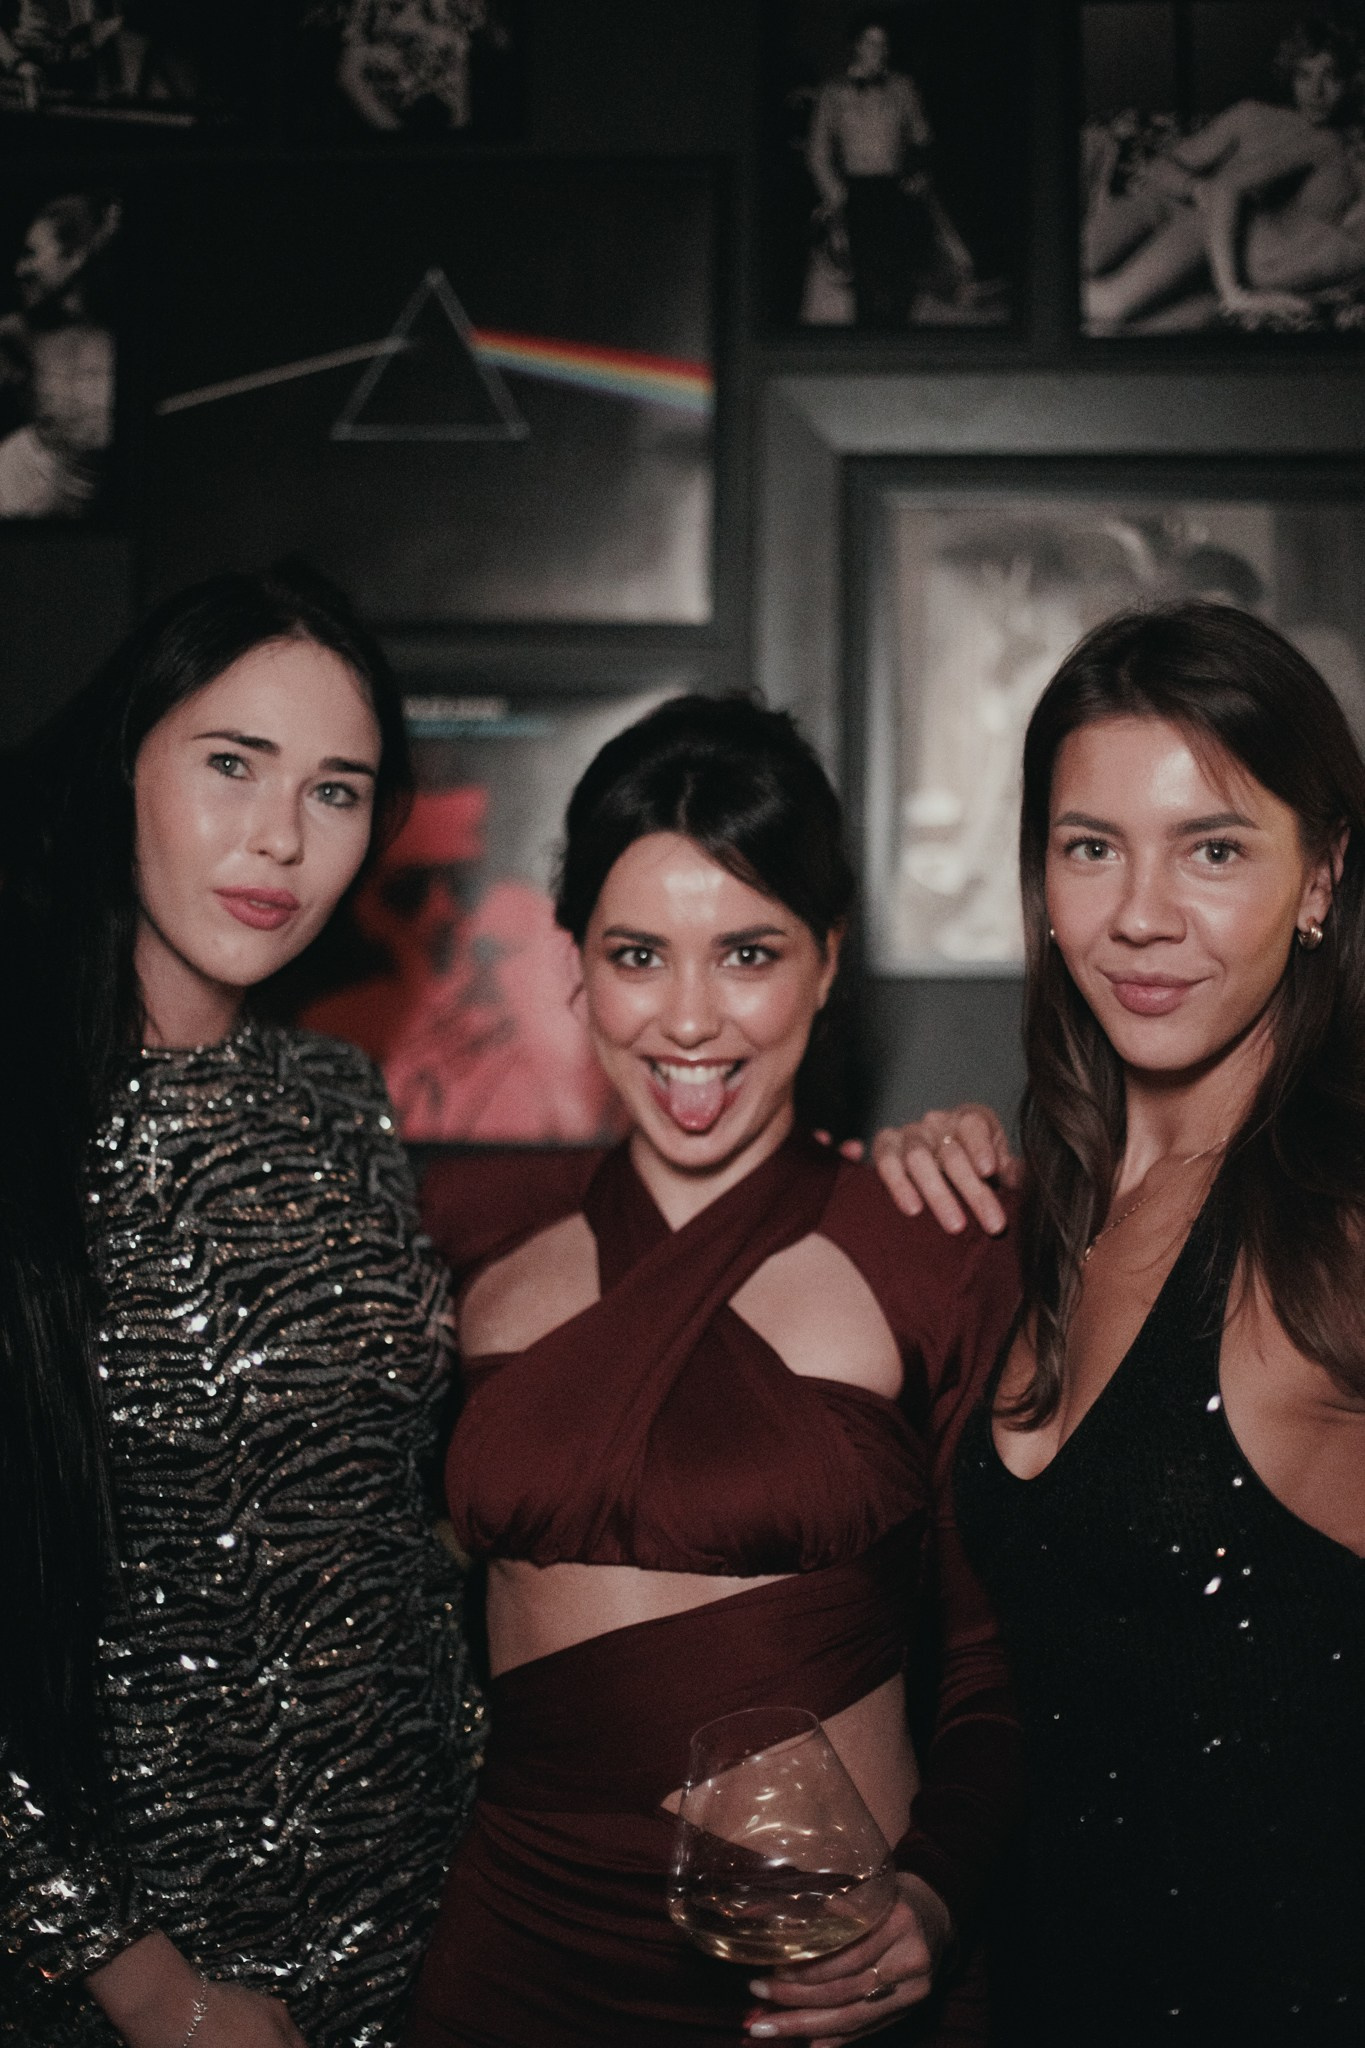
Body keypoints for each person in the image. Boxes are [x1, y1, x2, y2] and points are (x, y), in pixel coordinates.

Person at [404, 695, 1022, 2048]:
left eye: (748, 952)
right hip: (511, 1968)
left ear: (828, 961)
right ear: (575, 963)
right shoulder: (472, 1243)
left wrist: (935, 1895)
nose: (689, 1020)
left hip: (826, 1976)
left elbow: (1002, 1658)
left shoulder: (939, 1241)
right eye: (638, 954)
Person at [0, 567, 483, 2047]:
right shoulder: (26, 1121)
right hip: (144, 1970)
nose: (281, 836)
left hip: (428, 1917)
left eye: (336, 790)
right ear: (126, 766)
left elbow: (381, 1512)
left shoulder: (338, 1095)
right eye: (233, 764)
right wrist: (145, 1981)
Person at [874, 602, 1365, 2042]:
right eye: (1091, 847)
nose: (1140, 914)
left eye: (1213, 850)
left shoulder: (1333, 1230)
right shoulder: (1052, 1213)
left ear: (1321, 877)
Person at [1083, 14, 1365, 332]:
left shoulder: (1339, 148)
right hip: (1167, 211)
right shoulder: (1253, 117)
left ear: (1351, 82)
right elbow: (1159, 168)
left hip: (1216, 255)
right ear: (1290, 75)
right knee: (1081, 269)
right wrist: (1198, 190)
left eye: (1332, 77)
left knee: (1126, 322)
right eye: (1304, 75)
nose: (1316, 91)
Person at [804, 12, 975, 328]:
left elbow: (924, 139)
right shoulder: (833, 92)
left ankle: (898, 337)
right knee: (866, 279)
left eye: (884, 44)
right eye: (871, 43)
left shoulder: (903, 88)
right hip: (856, 193)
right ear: (856, 46)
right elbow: (818, 153)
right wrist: (837, 196)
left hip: (896, 192)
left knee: (901, 279)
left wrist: (920, 174)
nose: (879, 51)